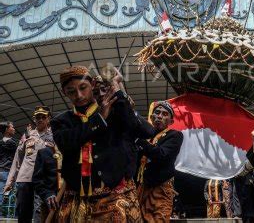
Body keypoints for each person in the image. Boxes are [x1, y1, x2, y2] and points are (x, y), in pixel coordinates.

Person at [51, 65, 144, 222]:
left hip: (114, 194)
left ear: (92, 84)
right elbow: (67, 143)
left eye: (83, 88)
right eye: (71, 91)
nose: (79, 95)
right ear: (64, 92)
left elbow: (136, 128)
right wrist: (99, 118)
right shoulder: (60, 121)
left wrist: (117, 87)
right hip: (76, 197)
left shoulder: (114, 109)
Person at [136, 100, 183, 222]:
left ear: (171, 121)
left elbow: (161, 155)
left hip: (161, 191)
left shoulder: (175, 135)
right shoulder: (146, 136)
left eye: (165, 114)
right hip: (141, 189)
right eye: (157, 113)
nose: (160, 116)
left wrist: (140, 141)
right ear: (152, 117)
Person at [4, 106, 53, 223]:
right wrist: (10, 181)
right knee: (23, 211)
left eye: (43, 117)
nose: (40, 119)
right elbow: (17, 159)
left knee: (40, 212)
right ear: (34, 119)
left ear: (48, 119)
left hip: (43, 180)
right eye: (37, 117)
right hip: (25, 178)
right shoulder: (27, 135)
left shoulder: (54, 136)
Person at [32, 145, 60, 222]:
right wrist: (47, 194)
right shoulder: (45, 153)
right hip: (52, 203)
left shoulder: (80, 152)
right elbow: (37, 179)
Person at [0, 121, 17, 215]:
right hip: (8, 172)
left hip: (1, 171)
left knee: (1, 196)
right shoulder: (12, 143)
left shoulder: (1, 142)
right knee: (12, 197)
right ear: (7, 129)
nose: (14, 129)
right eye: (12, 127)